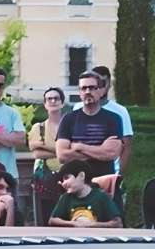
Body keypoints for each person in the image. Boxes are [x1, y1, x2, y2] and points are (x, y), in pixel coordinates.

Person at [55, 71, 125, 203]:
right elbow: (62, 156)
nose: (88, 91)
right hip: (75, 186)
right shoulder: (68, 119)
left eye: (92, 88)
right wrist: (100, 150)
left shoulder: (114, 119)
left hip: (104, 185)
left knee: (112, 222)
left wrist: (79, 147)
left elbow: (112, 153)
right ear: (80, 92)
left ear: (101, 91)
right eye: (83, 88)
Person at [26, 89, 67, 224]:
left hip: (69, 178)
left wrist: (44, 146)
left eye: (56, 98)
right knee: (47, 219)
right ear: (45, 104)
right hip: (47, 181)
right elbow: (37, 153)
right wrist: (63, 151)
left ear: (62, 103)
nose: (53, 101)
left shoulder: (70, 125)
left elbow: (74, 152)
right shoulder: (39, 128)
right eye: (49, 99)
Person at [48, 163, 122, 228]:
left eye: (67, 178)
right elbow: (52, 220)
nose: (64, 184)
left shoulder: (101, 197)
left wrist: (92, 225)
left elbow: (117, 223)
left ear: (81, 176)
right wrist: (73, 224)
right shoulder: (66, 197)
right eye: (62, 181)